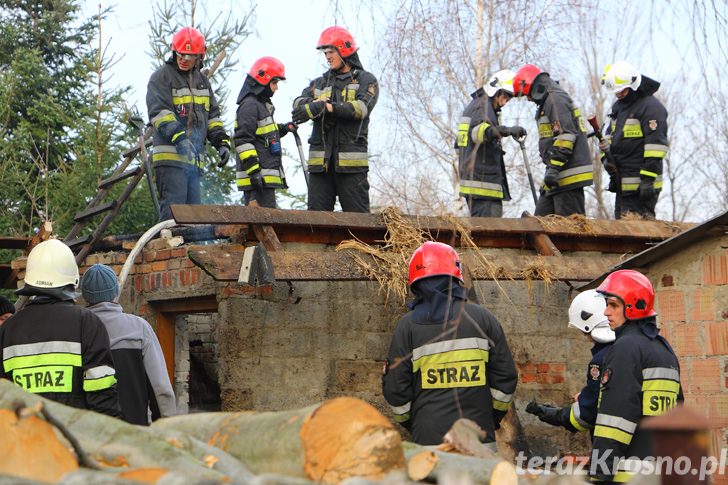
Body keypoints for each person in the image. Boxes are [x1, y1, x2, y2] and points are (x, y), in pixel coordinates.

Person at [381, 241, 518, 446]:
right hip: (479, 438)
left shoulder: (407, 327)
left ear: (415, 281)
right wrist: (492, 416)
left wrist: (415, 423)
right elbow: (506, 377)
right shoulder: (484, 319)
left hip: (429, 443)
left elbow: (395, 390)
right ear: (456, 276)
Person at [0, 240, 121, 418]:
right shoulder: (87, 323)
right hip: (72, 440)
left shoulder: (8, 329)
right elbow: (102, 395)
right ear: (72, 280)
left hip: (24, 440)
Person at [589, 269, 682, 483]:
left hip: (630, 473)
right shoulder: (663, 349)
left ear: (632, 307)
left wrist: (600, 473)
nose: (606, 313)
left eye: (613, 305)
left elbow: (614, 419)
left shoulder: (626, 348)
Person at [146, 26, 230, 221]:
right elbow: (159, 113)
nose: (184, 59)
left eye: (189, 56)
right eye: (180, 54)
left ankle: (188, 250)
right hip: (170, 156)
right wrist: (179, 137)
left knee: (194, 214)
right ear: (174, 51)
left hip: (193, 161)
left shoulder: (202, 82)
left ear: (199, 57)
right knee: (174, 209)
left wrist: (222, 143)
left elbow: (213, 117)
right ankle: (167, 245)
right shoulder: (161, 77)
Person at [291, 26, 378, 213]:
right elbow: (298, 103)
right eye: (325, 53)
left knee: (359, 227)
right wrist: (313, 105)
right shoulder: (320, 83)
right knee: (316, 226)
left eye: (331, 52)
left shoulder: (366, 80)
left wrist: (329, 107)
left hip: (352, 169)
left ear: (344, 50)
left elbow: (362, 108)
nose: (327, 57)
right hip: (320, 168)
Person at [80, 264, 176, 425]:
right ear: (115, 292)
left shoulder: (78, 331)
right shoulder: (139, 328)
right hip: (135, 433)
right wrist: (167, 427)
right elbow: (160, 389)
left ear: (85, 296)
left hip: (92, 436)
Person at [525, 290, 615, 435]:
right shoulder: (628, 347)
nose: (586, 337)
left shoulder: (600, 360)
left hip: (611, 443)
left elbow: (587, 414)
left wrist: (558, 416)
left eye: (584, 332)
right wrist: (586, 395)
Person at [513, 64, 593, 216]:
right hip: (557, 173)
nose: (528, 99)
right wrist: (550, 173)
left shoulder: (555, 100)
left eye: (526, 95)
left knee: (569, 231)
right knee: (541, 223)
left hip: (569, 175)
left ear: (532, 86)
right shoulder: (549, 100)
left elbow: (566, 136)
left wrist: (553, 168)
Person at [600, 61, 668, 219]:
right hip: (622, 184)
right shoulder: (620, 108)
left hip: (643, 187)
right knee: (622, 235)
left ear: (632, 84)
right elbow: (611, 137)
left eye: (622, 91)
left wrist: (647, 180)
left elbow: (655, 147)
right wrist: (607, 159)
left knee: (640, 236)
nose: (619, 95)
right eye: (616, 93)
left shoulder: (651, 107)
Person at [456, 69, 526, 217]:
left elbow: (460, 144)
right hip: (483, 186)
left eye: (509, 98)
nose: (505, 102)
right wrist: (508, 130)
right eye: (505, 96)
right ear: (496, 90)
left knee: (483, 236)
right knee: (491, 236)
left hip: (477, 185)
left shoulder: (475, 106)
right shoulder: (483, 106)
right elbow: (479, 133)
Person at [234, 57, 294, 208]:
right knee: (259, 227)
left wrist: (282, 129)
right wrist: (254, 172)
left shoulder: (260, 106)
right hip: (257, 181)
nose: (276, 88)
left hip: (263, 181)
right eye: (274, 83)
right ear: (263, 81)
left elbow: (262, 136)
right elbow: (242, 140)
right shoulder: (249, 106)